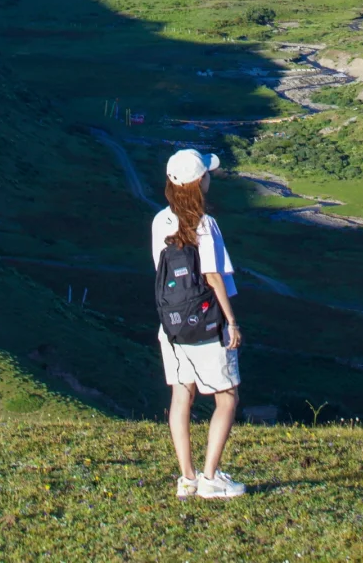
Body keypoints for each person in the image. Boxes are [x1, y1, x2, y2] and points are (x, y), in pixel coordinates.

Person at [152, 148, 245, 500]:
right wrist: (232, 323)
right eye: (206, 173)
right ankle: (210, 478)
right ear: (198, 182)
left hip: (173, 325)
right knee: (226, 397)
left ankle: (187, 478)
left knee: (182, 394)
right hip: (207, 324)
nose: (210, 177)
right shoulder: (205, 224)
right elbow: (213, 276)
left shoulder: (160, 221)